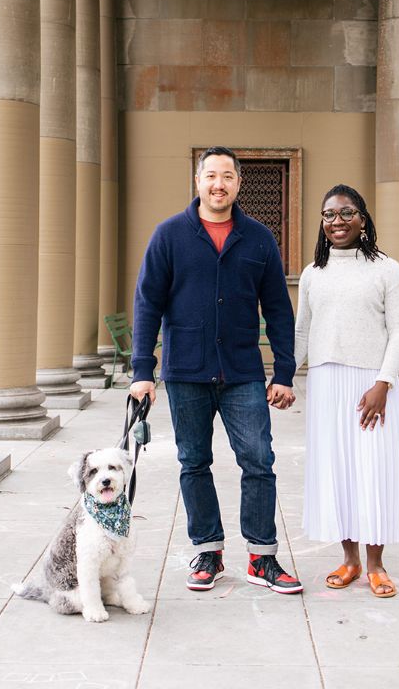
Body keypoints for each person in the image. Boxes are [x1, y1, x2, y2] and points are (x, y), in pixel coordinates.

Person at [130, 146, 303, 595]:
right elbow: (148, 305)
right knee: (194, 463)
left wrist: (284, 371)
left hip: (244, 372)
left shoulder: (260, 238)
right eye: (211, 175)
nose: (218, 183)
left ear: (238, 183)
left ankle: (262, 558)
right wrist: (142, 370)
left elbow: (279, 310)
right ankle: (208, 550)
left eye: (227, 176)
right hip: (186, 371)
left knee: (259, 462)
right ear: (198, 181)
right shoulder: (169, 236)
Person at [294, 184, 399, 598]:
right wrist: (285, 375)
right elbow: (303, 330)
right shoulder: (313, 273)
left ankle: (377, 565)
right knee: (340, 471)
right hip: (326, 382)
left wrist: (384, 382)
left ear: (363, 219)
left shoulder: (386, 269)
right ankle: (350, 560)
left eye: (346, 213)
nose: (336, 221)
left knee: (373, 469)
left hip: (371, 384)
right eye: (328, 215)